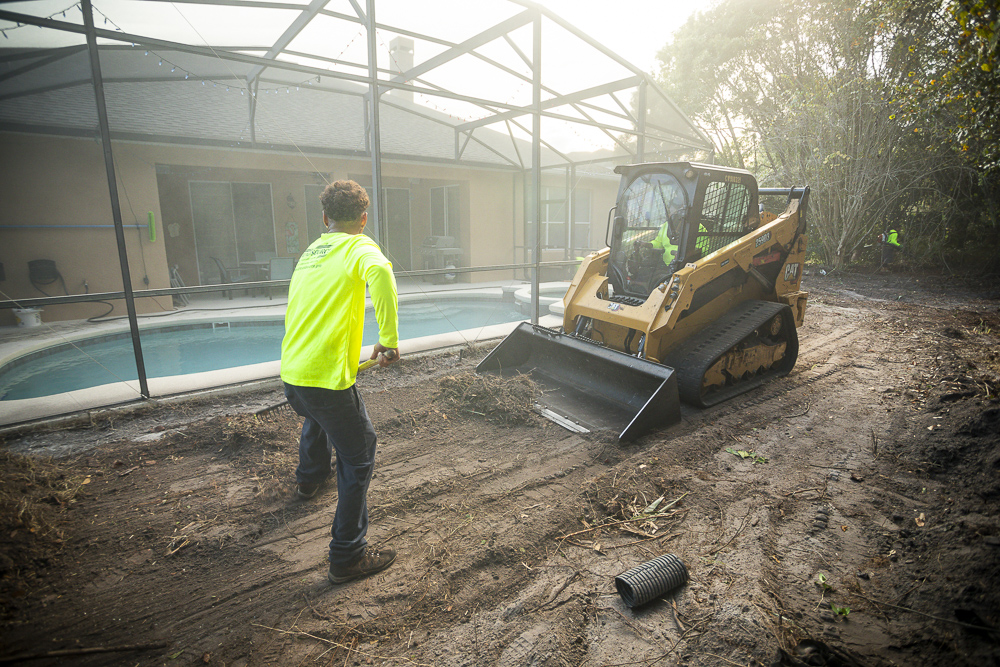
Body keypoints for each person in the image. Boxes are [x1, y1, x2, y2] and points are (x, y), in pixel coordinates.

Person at [280, 179, 400, 585]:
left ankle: (310, 480)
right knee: (359, 453)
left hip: (293, 374)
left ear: (325, 219)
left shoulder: (311, 252)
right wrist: (388, 340)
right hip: (326, 381)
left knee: (316, 416)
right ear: (363, 219)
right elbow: (382, 273)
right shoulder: (361, 247)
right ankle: (347, 556)